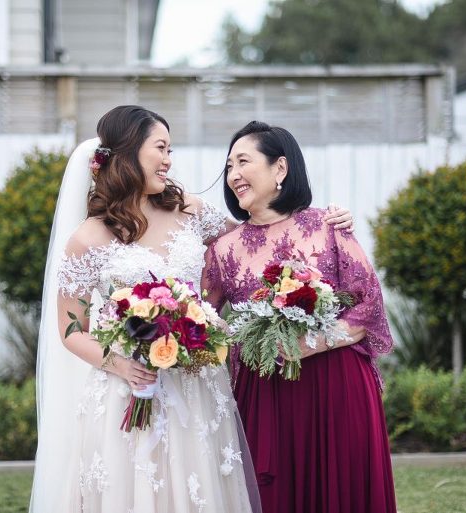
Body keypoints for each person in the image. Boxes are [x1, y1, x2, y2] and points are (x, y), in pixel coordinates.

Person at [29, 106, 354, 512]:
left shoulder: (190, 210)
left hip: (196, 387)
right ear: (129, 152)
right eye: (160, 148)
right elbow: (72, 329)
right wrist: (121, 365)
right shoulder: (86, 239)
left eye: (170, 149)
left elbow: (260, 238)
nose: (169, 160)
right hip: (129, 388)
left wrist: (322, 220)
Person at [202, 121, 397, 513]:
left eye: (243, 162)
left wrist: (308, 344)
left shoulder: (328, 227)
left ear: (280, 169)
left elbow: (368, 305)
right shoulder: (222, 250)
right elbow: (203, 317)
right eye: (228, 167)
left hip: (337, 387)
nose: (233, 175)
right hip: (266, 395)